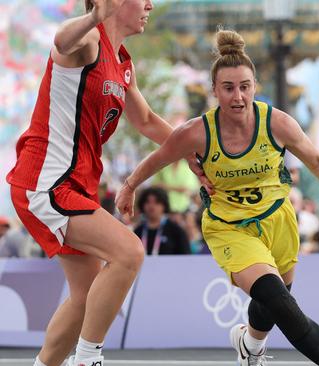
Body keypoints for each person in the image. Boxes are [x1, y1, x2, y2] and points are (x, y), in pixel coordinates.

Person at [115, 29, 319, 366]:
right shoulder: (197, 132)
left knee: (275, 300)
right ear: (214, 90)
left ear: (254, 86)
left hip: (278, 219)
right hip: (230, 227)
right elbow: (158, 159)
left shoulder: (277, 123)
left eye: (244, 86)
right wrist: (129, 186)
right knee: (280, 301)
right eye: (228, 88)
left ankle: (250, 343)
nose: (238, 97)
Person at [5, 1, 206, 365]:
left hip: (74, 186)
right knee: (129, 252)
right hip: (47, 182)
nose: (149, 5)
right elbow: (61, 42)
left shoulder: (121, 62)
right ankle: (88, 358)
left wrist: (189, 152)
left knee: (85, 297)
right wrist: (95, 16)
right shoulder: (87, 42)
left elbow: (145, 119)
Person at [133, 187, 191, 255]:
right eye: (147, 202)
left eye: (157, 202)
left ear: (164, 205)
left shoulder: (176, 231)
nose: (151, 206)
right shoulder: (138, 231)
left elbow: (186, 257)